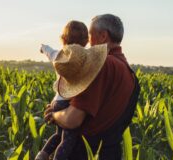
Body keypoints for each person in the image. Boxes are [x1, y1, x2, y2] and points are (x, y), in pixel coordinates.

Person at [44, 14, 140, 160]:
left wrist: (54, 115)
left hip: (86, 152)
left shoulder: (101, 66)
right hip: (111, 152)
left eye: (90, 35)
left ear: (102, 36)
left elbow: (72, 119)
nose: (88, 42)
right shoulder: (129, 73)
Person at [35, 20, 108, 160]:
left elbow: (47, 49)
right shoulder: (85, 59)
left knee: (58, 135)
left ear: (63, 39)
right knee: (68, 140)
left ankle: (42, 155)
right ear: (86, 41)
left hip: (56, 102)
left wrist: (43, 48)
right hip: (68, 104)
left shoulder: (58, 56)